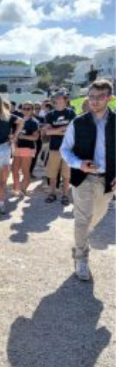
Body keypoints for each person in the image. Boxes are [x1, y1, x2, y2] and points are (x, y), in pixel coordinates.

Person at [61, 79, 116, 281]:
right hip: (83, 177)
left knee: (96, 218)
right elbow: (65, 149)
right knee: (82, 219)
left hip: (107, 179)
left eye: (99, 97)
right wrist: (78, 164)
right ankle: (81, 258)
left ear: (108, 98)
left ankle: (79, 242)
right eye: (91, 96)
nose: (94, 101)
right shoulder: (78, 122)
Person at [44, 91, 76, 206]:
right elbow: (47, 131)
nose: (58, 98)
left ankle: (65, 195)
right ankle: (52, 193)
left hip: (68, 149)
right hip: (54, 148)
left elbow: (72, 130)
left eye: (60, 97)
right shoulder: (50, 115)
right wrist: (63, 129)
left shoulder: (71, 113)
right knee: (52, 173)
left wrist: (55, 130)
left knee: (66, 174)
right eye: (56, 97)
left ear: (65, 99)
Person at [12, 102, 39, 196]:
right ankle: (16, 188)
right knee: (14, 169)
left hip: (28, 148)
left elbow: (35, 137)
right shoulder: (19, 120)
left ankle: (23, 190)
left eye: (28, 109)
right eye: (24, 108)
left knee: (25, 171)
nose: (26, 110)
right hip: (18, 148)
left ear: (32, 110)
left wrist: (23, 137)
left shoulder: (33, 122)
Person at [30, 102, 45, 177]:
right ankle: (27, 172)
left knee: (35, 157)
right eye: (35, 108)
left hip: (38, 140)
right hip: (29, 140)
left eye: (39, 108)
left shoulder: (42, 118)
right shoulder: (28, 117)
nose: (37, 110)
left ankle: (30, 172)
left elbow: (43, 128)